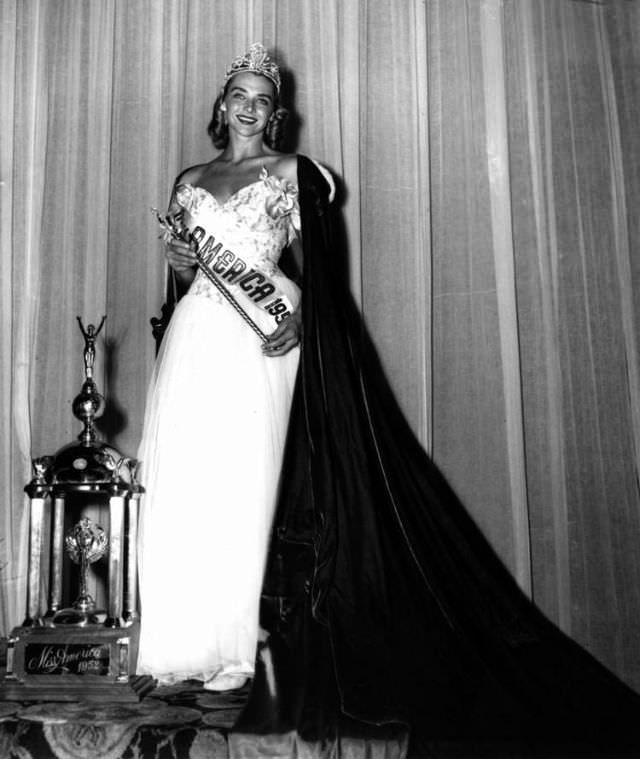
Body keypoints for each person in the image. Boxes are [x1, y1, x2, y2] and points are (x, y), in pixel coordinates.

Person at [136, 43, 315, 691]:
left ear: (275, 113)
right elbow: (180, 278)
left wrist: (304, 318)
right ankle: (179, 641)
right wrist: (181, 262)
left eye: (260, 99)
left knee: (246, 480)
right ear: (221, 104)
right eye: (237, 95)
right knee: (184, 475)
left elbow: (320, 268)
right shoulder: (189, 181)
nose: (248, 107)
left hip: (261, 332)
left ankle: (238, 648)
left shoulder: (293, 173)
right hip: (198, 330)